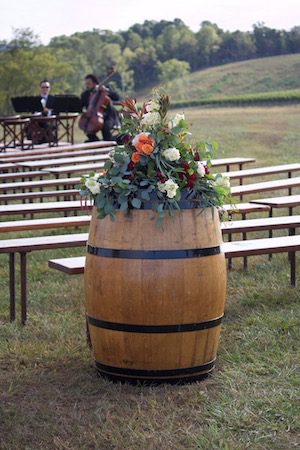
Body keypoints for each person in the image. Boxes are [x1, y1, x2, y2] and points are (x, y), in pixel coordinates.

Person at [80, 74, 120, 142]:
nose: (87, 86)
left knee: (105, 129)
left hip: (109, 117)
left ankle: (116, 140)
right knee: (87, 129)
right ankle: (98, 144)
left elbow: (116, 97)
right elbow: (80, 106)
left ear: (95, 83)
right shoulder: (85, 95)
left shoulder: (104, 90)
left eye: (89, 84)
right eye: (86, 84)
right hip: (93, 117)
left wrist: (106, 90)